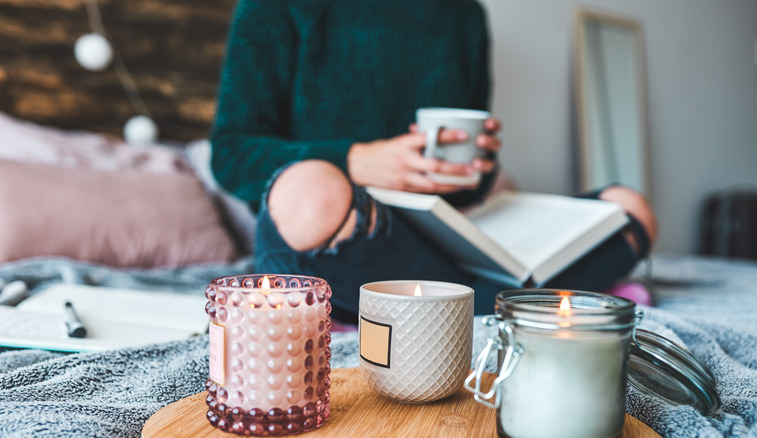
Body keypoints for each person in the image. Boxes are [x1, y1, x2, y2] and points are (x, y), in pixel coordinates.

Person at [210, 0, 657, 322]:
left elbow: (471, 186)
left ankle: (470, 303)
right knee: (309, 190)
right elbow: (230, 153)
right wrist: (357, 161)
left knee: (629, 208)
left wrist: (475, 170)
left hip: (436, 236)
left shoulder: (463, 15)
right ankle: (523, 302)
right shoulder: (272, 8)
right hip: (345, 235)